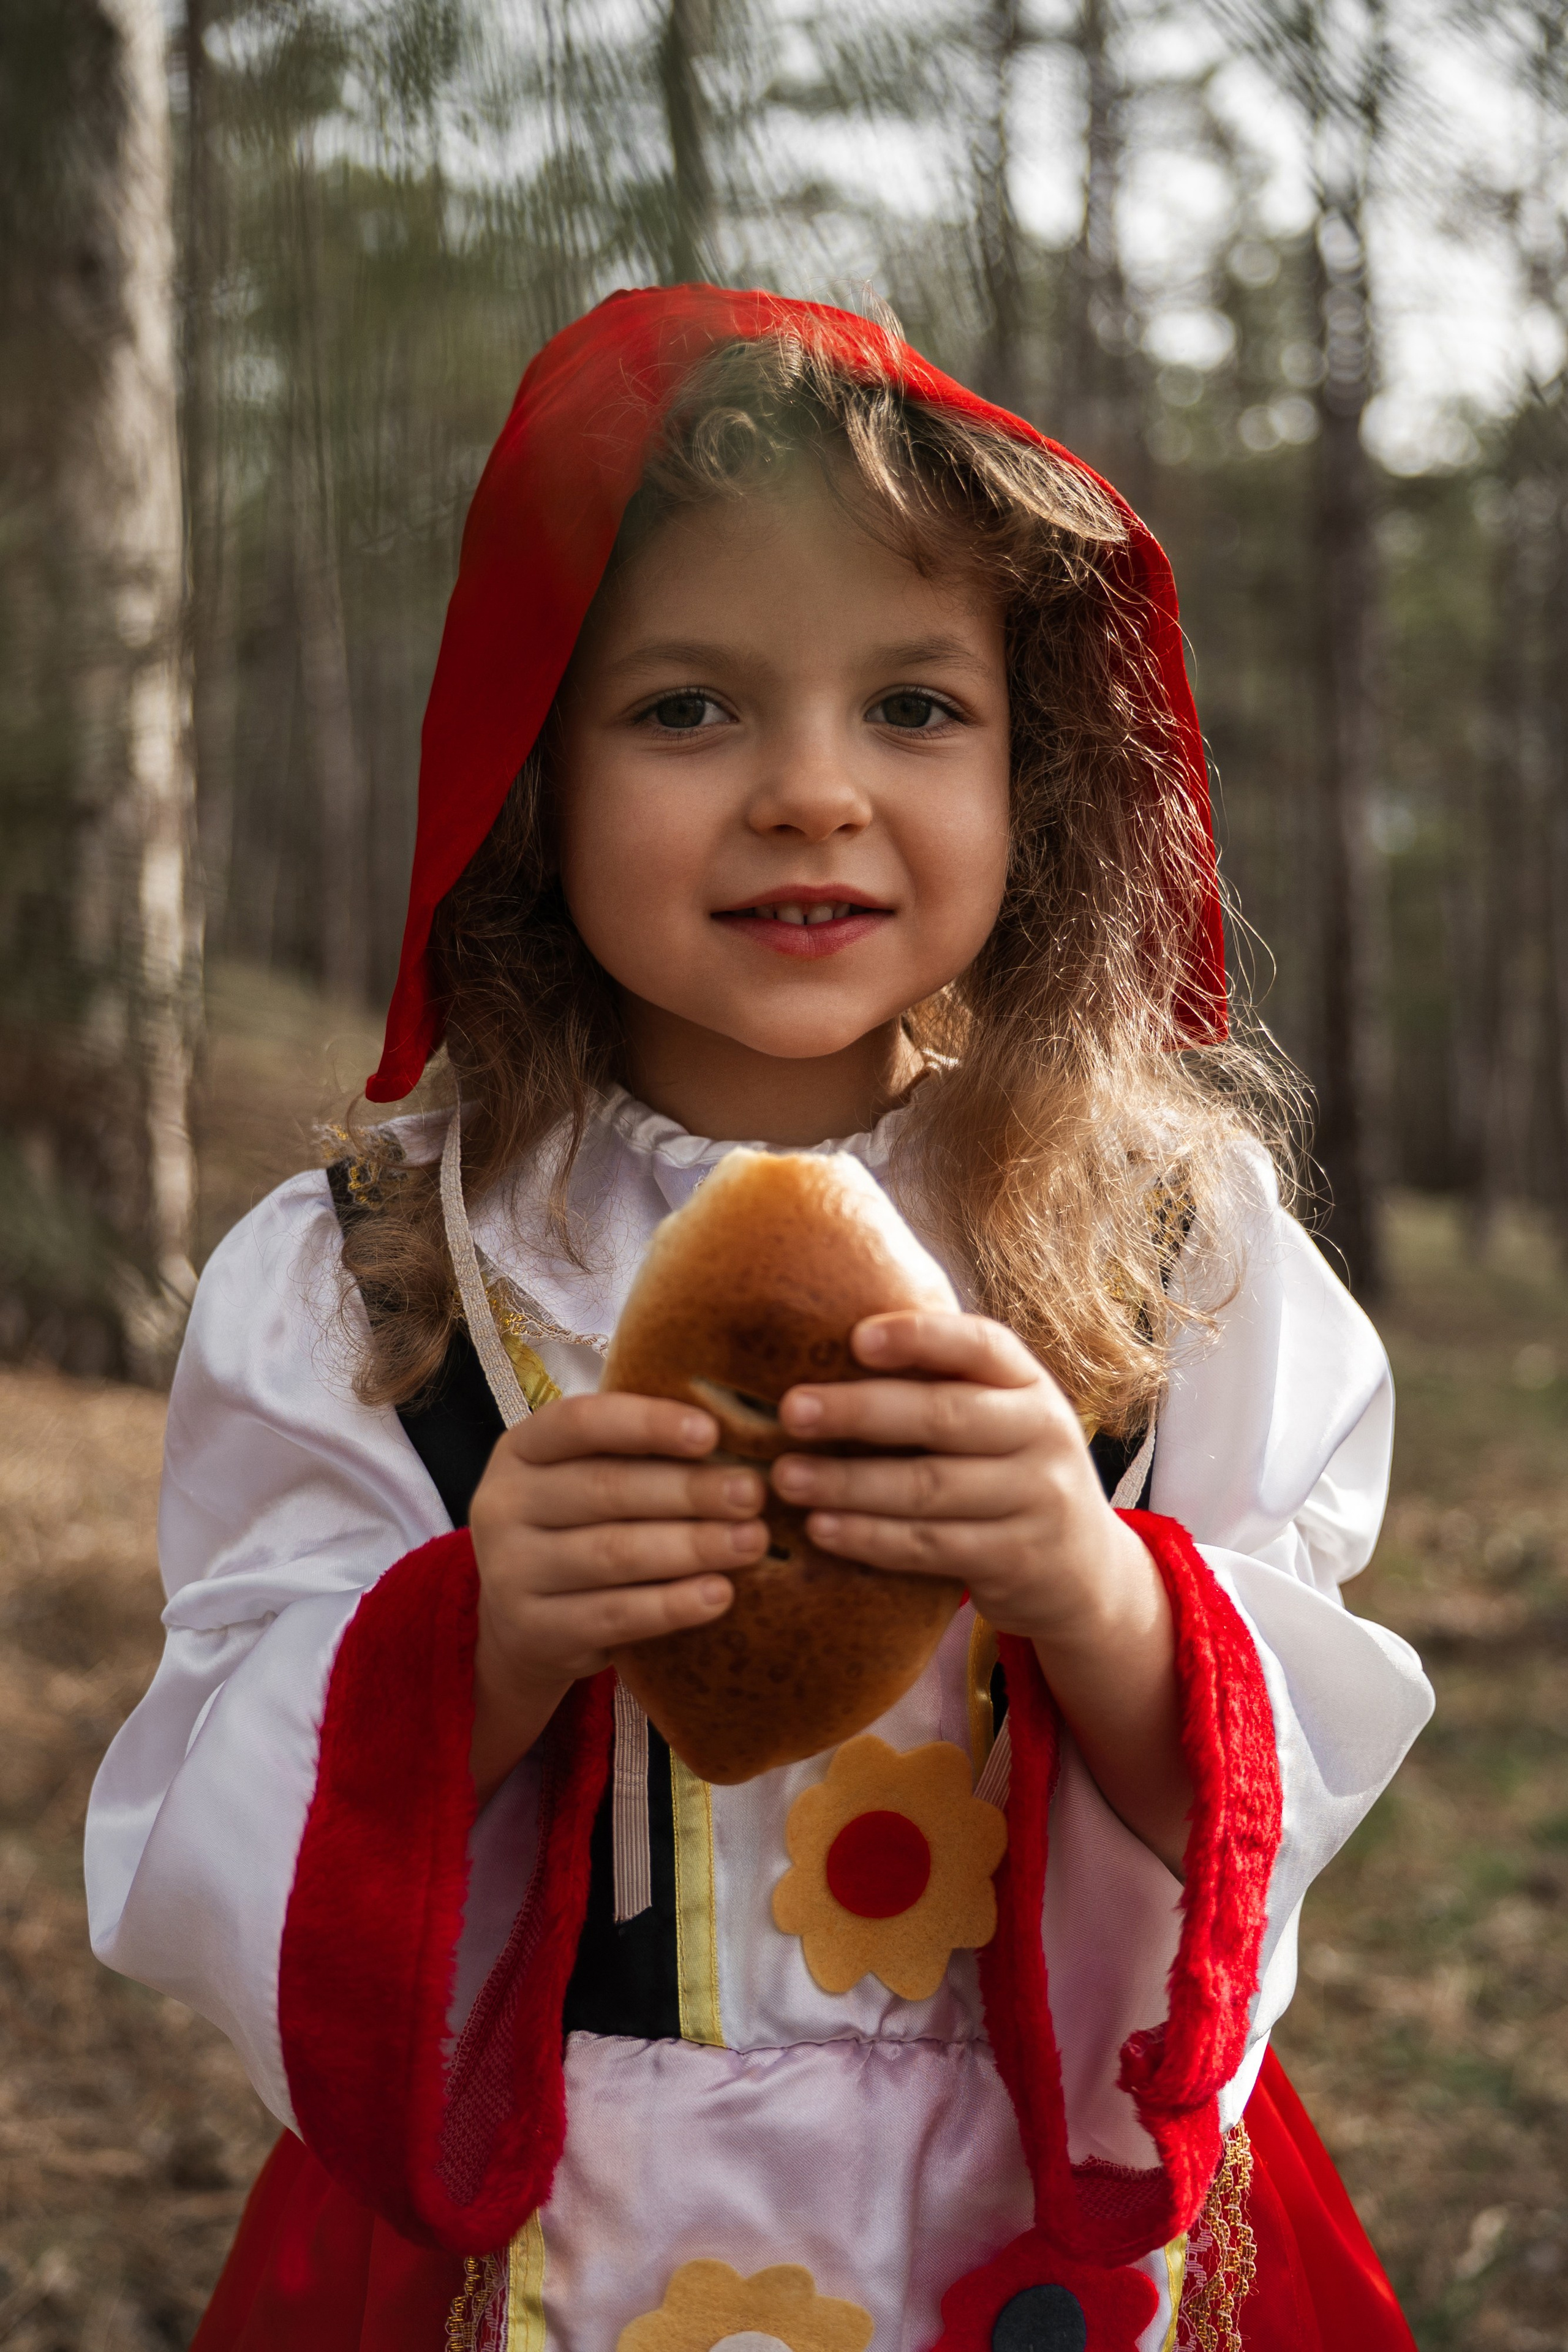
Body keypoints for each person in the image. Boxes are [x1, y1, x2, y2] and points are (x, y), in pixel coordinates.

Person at [85, 286, 1433, 2352]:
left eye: (912, 707)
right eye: (688, 708)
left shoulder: (1169, 1246)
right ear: (528, 778)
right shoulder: (379, 1274)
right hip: (547, 2218)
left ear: (1039, 771)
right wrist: (483, 1640)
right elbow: (209, 1814)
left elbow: (1304, 1742)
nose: (812, 792)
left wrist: (1098, 1590)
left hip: (1042, 2216)